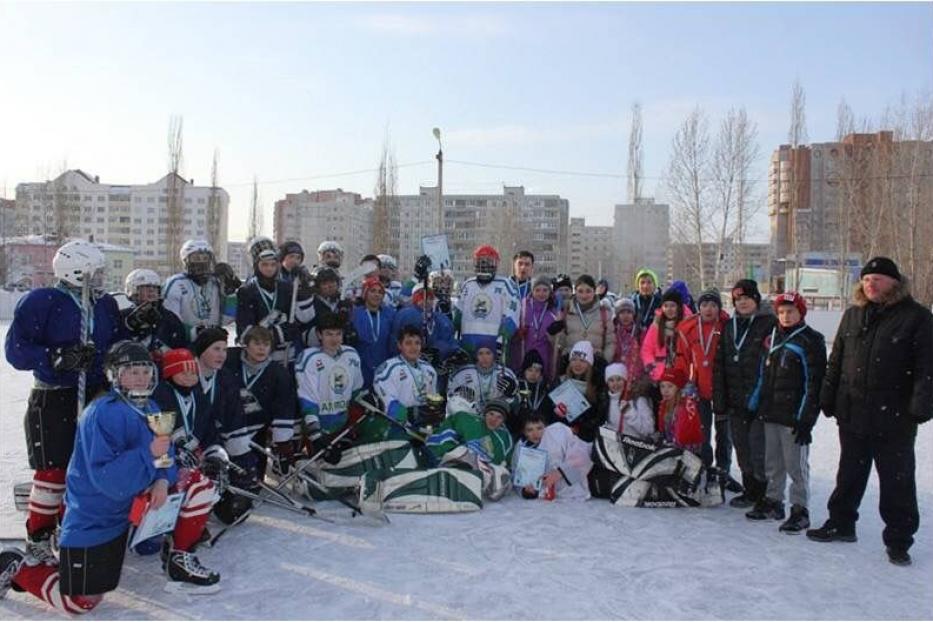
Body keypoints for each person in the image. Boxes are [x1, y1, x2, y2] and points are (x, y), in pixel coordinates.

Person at [0, 341, 220, 613]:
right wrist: (147, 453)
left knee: (198, 482)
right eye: (132, 371)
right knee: (80, 603)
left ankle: (179, 556)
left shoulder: (151, 407)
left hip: (132, 505)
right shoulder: (101, 414)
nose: (141, 378)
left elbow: (166, 455)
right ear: (115, 375)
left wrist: (163, 478)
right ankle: (18, 567)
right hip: (97, 516)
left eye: (145, 371)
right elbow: (107, 479)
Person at [4, 239, 126, 563]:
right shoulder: (42, 301)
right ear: (75, 271)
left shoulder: (104, 305)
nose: (100, 278)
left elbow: (115, 342)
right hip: (53, 397)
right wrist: (56, 357)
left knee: (91, 467)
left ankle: (79, 528)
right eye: (94, 272)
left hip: (96, 395)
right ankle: (39, 537)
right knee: (53, 472)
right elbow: (15, 351)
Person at [808, 258, 932, 566]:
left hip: (894, 416)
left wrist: (920, 405)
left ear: (894, 282)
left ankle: (899, 540)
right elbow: (836, 360)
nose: (870, 284)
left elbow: (926, 368)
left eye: (877, 278)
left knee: (896, 481)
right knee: (849, 473)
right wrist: (828, 395)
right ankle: (841, 523)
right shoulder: (853, 315)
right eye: (866, 279)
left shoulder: (916, 317)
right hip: (852, 411)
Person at [744, 292, 825, 532]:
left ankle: (800, 509)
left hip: (793, 416)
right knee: (773, 463)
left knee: (796, 466)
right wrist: (753, 405)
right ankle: (774, 501)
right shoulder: (773, 337)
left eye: (791, 311)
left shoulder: (810, 340)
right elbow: (763, 375)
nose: (786, 316)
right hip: (770, 412)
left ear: (801, 313)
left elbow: (814, 384)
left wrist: (805, 420)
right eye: (781, 312)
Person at [713, 279, 775, 509]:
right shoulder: (730, 326)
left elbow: (772, 364)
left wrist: (763, 398)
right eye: (738, 300)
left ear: (756, 300)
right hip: (735, 399)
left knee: (759, 449)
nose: (743, 303)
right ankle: (750, 490)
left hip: (759, 400)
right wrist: (721, 400)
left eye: (747, 298)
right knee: (742, 447)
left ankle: (764, 492)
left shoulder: (769, 324)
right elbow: (720, 364)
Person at [673, 288, 740, 492]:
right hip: (698, 388)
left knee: (724, 433)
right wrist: (685, 382)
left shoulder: (728, 326)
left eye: (713, 305)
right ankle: (705, 468)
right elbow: (682, 358)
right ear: (698, 307)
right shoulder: (689, 328)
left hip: (722, 390)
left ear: (719, 308)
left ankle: (724, 471)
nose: (708, 309)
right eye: (704, 305)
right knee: (702, 432)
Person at [191, 328, 258, 524]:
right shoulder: (186, 375)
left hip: (213, 440)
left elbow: (234, 420)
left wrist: (244, 464)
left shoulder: (227, 379)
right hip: (185, 442)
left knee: (232, 511)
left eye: (224, 349)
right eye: (216, 349)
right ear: (202, 350)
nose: (222, 355)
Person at [223, 325, 299, 478]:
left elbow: (284, 405)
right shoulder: (229, 362)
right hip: (227, 428)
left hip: (258, 430)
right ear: (246, 344)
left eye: (266, 345)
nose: (261, 349)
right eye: (257, 344)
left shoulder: (278, 373)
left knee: (254, 478)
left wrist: (282, 443)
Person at [295, 312, 364, 460]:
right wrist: (316, 436)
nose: (334, 339)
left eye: (338, 334)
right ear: (319, 335)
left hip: (343, 427)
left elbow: (357, 393)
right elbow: (307, 400)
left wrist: (355, 423)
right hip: (318, 427)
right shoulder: (309, 358)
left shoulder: (351, 355)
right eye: (329, 334)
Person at [236, 236, 312, 365]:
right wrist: (278, 333)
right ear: (256, 265)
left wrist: (305, 290)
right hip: (258, 357)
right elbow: (244, 331)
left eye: (273, 264)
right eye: (264, 264)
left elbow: (304, 317)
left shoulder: (287, 287)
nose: (269, 269)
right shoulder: (247, 291)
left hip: (287, 356)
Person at [368, 326, 442, 442]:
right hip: (398, 427)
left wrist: (435, 412)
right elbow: (389, 404)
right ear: (399, 345)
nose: (413, 347)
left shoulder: (429, 370)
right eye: (408, 343)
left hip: (424, 427)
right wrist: (408, 416)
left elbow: (433, 400)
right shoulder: (389, 369)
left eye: (417, 343)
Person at [162, 239, 240, 346]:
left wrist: (231, 294)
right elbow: (171, 321)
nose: (202, 262)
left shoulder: (216, 282)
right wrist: (197, 332)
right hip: (183, 343)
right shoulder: (175, 283)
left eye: (205, 258)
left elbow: (226, 319)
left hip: (212, 344)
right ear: (186, 260)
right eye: (196, 258)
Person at [455, 245, 520, 356]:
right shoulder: (467, 285)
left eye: (488, 262)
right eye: (481, 262)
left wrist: (501, 340)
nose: (484, 266)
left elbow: (512, 315)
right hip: (468, 345)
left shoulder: (506, 285)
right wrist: (455, 341)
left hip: (493, 347)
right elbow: (458, 316)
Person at [118, 268, 187, 357]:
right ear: (133, 290)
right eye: (145, 287)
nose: (151, 291)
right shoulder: (123, 316)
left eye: (154, 287)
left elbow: (180, 348)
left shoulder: (170, 318)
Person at [391, 284, 458, 372]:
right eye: (422, 297)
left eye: (430, 298)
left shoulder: (439, 318)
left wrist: (441, 350)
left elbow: (447, 339)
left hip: (431, 367)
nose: (427, 301)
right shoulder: (407, 314)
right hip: (407, 365)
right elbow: (396, 340)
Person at [554, 274, 615, 367]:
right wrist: (564, 356)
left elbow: (610, 342)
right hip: (572, 364)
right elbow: (560, 341)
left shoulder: (604, 313)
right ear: (575, 292)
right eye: (580, 291)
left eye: (588, 291)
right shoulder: (567, 311)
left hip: (595, 365)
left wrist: (604, 361)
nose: (584, 295)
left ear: (594, 292)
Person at [550, 341, 604, 442]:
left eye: (583, 361)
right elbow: (547, 412)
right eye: (574, 359)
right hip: (559, 436)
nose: (577, 364)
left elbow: (598, 418)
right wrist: (556, 413)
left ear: (589, 364)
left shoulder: (596, 386)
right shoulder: (560, 381)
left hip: (583, 440)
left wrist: (579, 429)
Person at [350, 276, 397, 387]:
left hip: (384, 366)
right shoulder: (354, 314)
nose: (377, 295)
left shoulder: (390, 314)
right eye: (373, 291)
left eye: (380, 292)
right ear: (365, 293)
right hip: (361, 367)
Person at [510, 276, 560, 378]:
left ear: (550, 292)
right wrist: (517, 333)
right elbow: (513, 329)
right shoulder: (523, 307)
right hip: (523, 353)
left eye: (545, 290)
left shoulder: (554, 312)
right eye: (537, 290)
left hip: (543, 355)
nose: (541, 294)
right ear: (532, 291)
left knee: (540, 383)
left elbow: (558, 340)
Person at [447, 345, 519, 413]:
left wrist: (511, 394)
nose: (484, 357)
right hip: (470, 415)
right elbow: (450, 398)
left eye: (488, 353)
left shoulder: (506, 373)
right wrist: (458, 394)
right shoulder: (463, 373)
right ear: (476, 356)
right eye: (480, 353)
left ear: (494, 355)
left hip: (497, 416)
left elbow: (517, 401)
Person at [641, 288, 690, 383]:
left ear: (679, 307)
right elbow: (647, 349)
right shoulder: (656, 325)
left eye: (672, 306)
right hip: (659, 375)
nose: (669, 309)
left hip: (681, 374)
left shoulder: (686, 326)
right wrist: (651, 366)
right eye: (666, 306)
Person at [598, 363, 654, 440]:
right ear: (607, 383)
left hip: (634, 447)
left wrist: (629, 412)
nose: (615, 384)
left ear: (625, 380)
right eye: (611, 380)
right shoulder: (606, 400)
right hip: (612, 447)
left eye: (619, 379)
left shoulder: (638, 401)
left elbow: (649, 430)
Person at [657, 367, 704, 455]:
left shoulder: (684, 405)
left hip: (687, 453)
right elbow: (663, 429)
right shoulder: (665, 404)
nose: (665, 390)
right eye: (662, 386)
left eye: (670, 386)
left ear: (678, 387)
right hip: (672, 448)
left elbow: (683, 437)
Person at [512, 350, 553, 436]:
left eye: (537, 371)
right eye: (530, 370)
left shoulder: (545, 388)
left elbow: (549, 411)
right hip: (521, 430)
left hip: (541, 430)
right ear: (524, 371)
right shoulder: (517, 387)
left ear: (541, 373)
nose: (533, 374)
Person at [612, 297, 644, 381]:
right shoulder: (612, 331)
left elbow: (643, 355)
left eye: (629, 312)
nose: (626, 316)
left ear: (633, 314)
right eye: (622, 312)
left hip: (635, 374)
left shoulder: (640, 332)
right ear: (617, 315)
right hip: (615, 374)